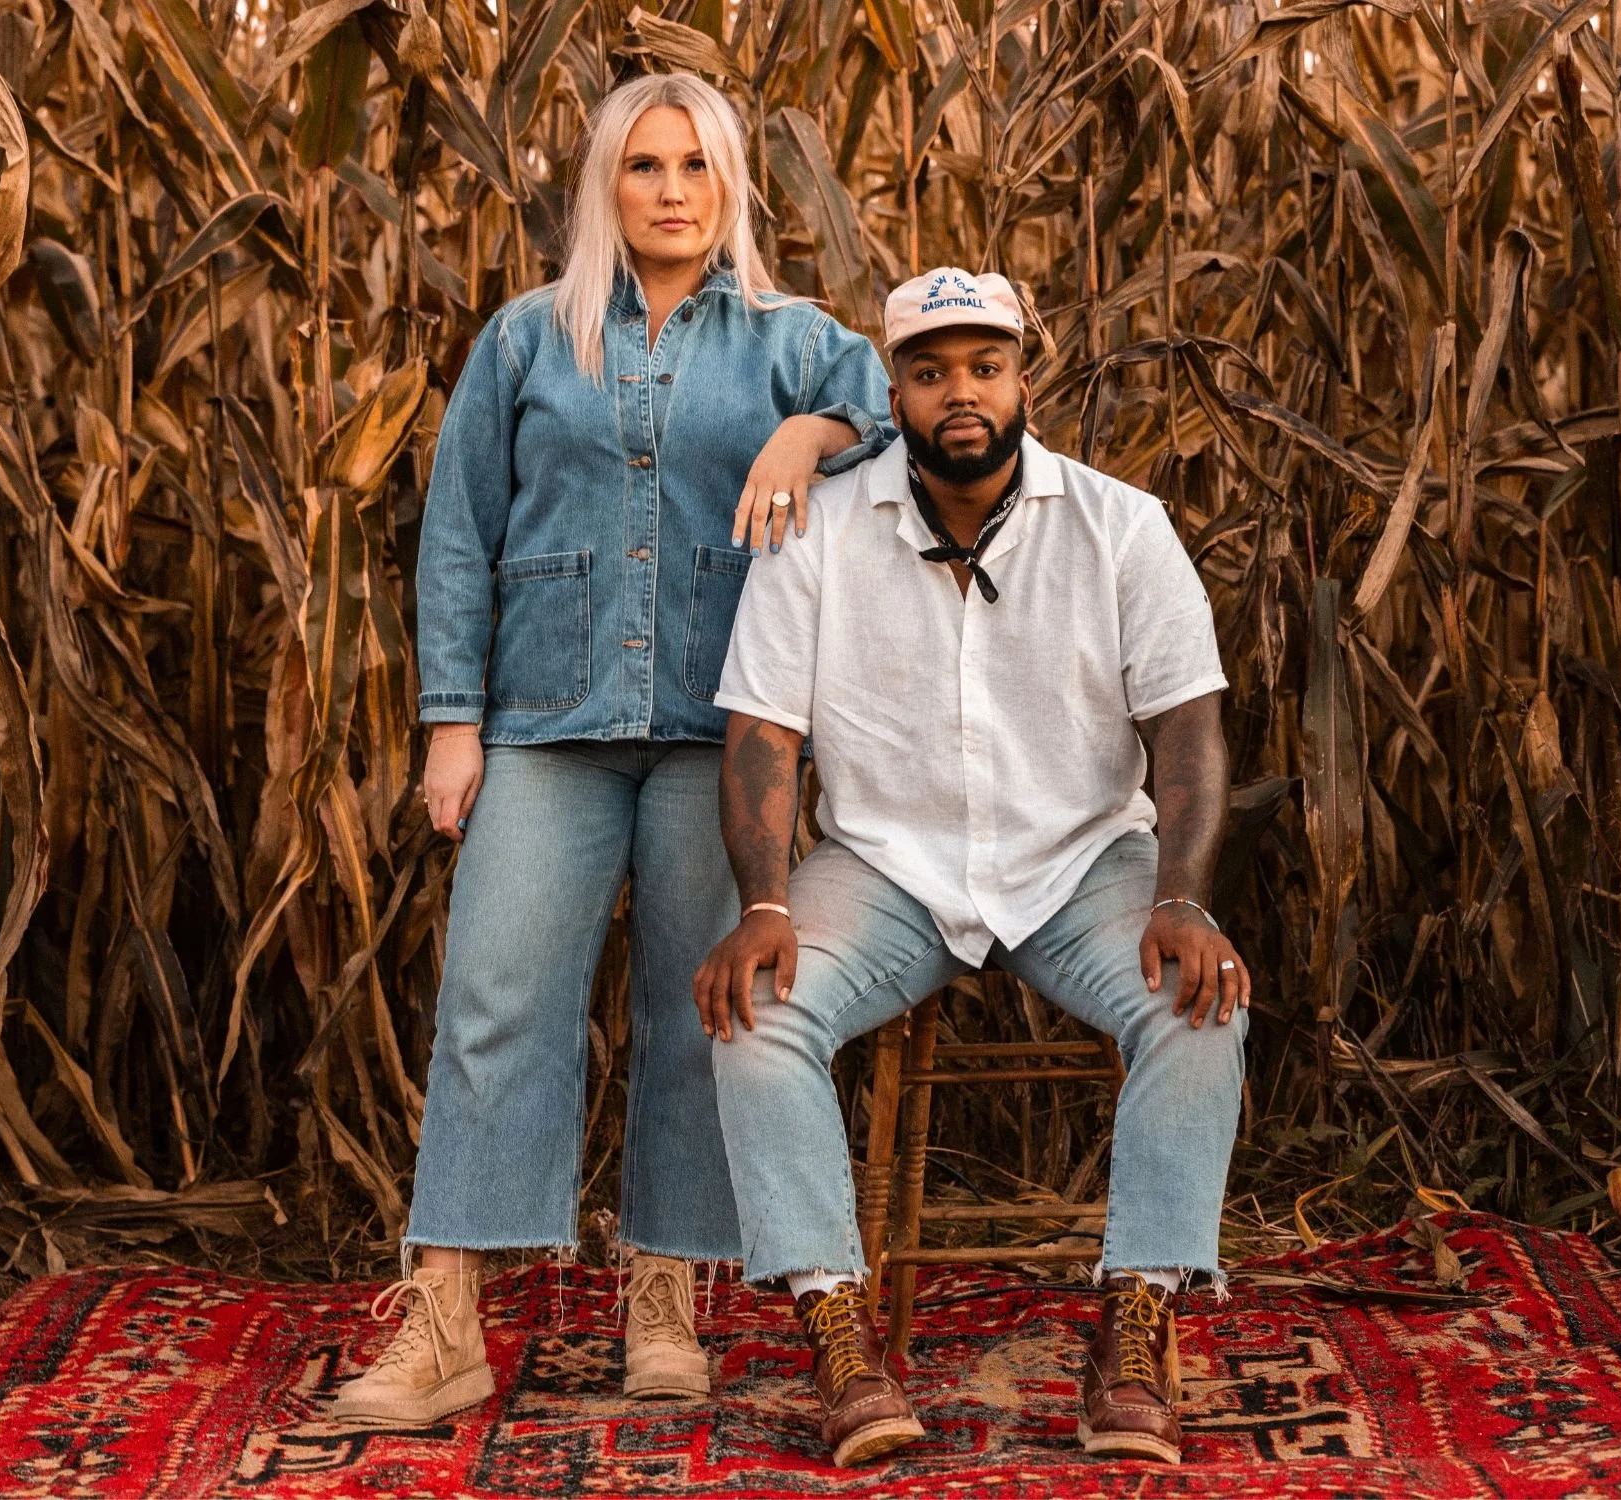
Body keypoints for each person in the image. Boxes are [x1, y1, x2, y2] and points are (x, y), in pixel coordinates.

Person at [326, 72, 891, 1428]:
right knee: (494, 1000)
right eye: (644, 165)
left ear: (730, 183)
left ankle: (664, 1294)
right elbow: (459, 530)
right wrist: (451, 722)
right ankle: (446, 1318)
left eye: (695, 164)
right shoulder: (527, 340)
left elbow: (891, 410)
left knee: (698, 1018)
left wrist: (809, 431)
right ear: (606, 184)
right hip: (546, 725)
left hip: (720, 733)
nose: (671, 190)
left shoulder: (787, 341)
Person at [693, 268, 1255, 1467]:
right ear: (892, 393)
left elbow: (1187, 728)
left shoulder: (1119, 525)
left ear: (1021, 382)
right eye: (931, 371)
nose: (962, 392)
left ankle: (1138, 1321)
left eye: (985, 368)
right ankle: (836, 1331)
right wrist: (764, 900)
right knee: (755, 1012)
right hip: (888, 868)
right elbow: (762, 733)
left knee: (1200, 1004)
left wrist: (1181, 897)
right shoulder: (821, 533)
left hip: (1078, 861)